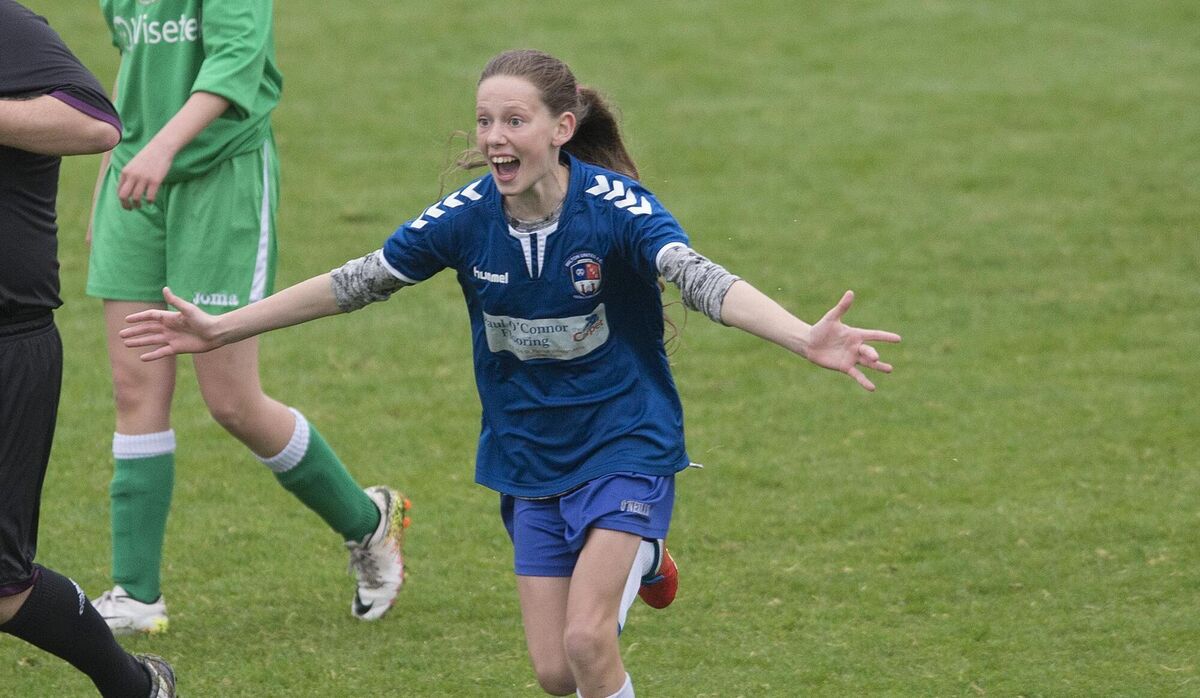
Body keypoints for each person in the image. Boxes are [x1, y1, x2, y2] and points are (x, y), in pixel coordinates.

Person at [121, 48, 901, 697]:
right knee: (557, 672)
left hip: (626, 441)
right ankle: (649, 558)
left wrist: (804, 337)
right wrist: (223, 326)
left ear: (562, 130)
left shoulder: (619, 209)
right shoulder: (465, 219)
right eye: (486, 120)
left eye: (514, 120)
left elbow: (699, 277)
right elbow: (357, 281)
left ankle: (632, 542)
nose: (494, 136)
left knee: (592, 644)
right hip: (528, 457)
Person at [85, 0, 409, 634]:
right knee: (134, 385)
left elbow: (235, 63)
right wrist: (108, 174)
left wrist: (164, 148)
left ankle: (370, 524)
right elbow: (135, 66)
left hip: (219, 181)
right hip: (134, 181)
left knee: (230, 400)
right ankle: (136, 592)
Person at [0, 1, 176, 695]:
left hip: (8, 342)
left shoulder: (10, 27)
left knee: (4, 588)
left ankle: (135, 687)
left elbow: (95, 122)